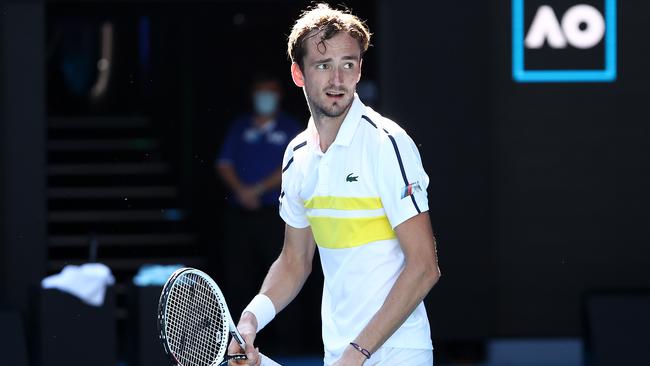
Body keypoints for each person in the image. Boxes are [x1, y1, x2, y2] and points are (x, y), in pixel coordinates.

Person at [230, 4, 441, 365]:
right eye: (323, 65)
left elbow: (424, 267)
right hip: (341, 353)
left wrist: (357, 353)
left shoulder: (387, 144)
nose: (337, 80)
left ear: (359, 70)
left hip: (398, 353)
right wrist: (250, 320)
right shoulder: (297, 156)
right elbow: (295, 260)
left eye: (348, 64)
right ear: (299, 74)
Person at [216, 75, 301, 314]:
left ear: (280, 95)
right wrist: (242, 192)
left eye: (270, 91)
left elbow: (293, 167)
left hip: (276, 214)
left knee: (283, 273)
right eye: (260, 92)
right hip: (241, 212)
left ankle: (289, 344)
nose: (265, 98)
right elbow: (224, 163)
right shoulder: (240, 126)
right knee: (238, 276)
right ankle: (240, 339)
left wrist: (258, 189)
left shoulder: (290, 127)